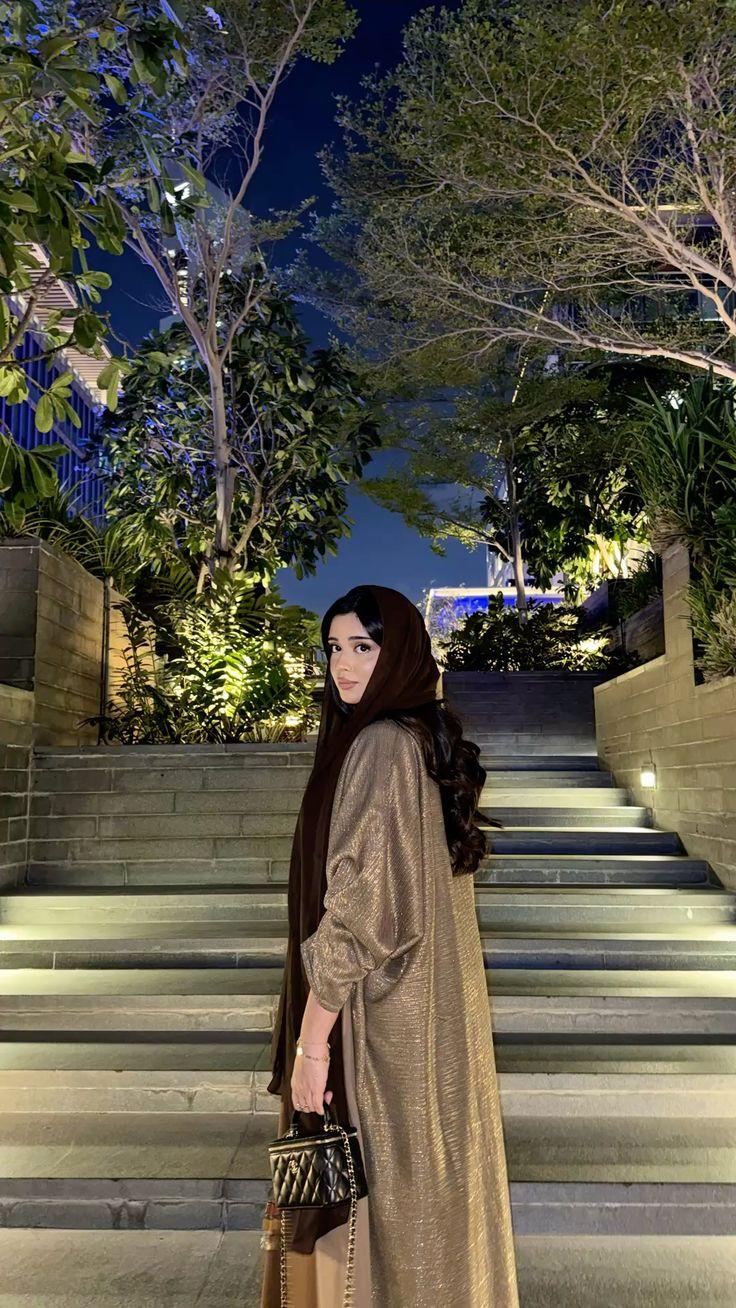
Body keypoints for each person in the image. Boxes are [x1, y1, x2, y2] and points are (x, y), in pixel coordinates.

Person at [260, 584, 519, 1308]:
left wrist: (311, 1047)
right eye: (334, 648)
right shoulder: (417, 742)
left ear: (399, 652)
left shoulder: (379, 746)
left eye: (363, 647)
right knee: (428, 1207)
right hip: (431, 1023)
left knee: (377, 1220)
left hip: (384, 1028)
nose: (343, 666)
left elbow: (360, 916)